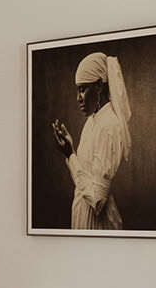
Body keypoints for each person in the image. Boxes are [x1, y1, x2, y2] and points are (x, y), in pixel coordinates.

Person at [48, 51, 132, 229]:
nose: (78, 99)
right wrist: (70, 150)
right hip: (82, 214)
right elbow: (87, 176)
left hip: (97, 224)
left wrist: (70, 155)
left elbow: (98, 200)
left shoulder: (108, 126)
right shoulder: (92, 122)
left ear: (99, 87)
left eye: (82, 89)